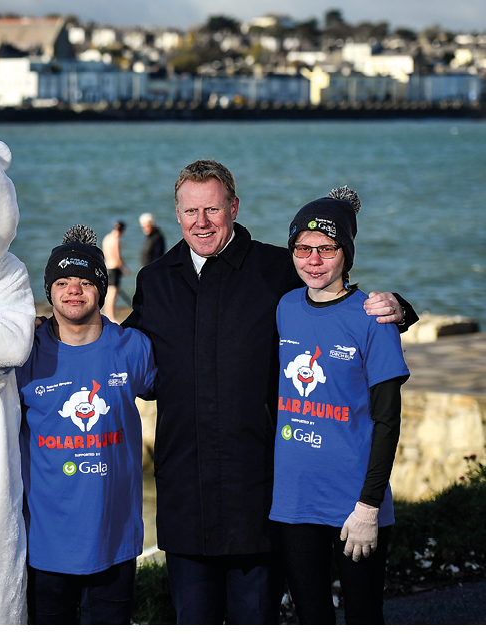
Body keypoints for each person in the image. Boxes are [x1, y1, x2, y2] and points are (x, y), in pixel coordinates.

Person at [120, 159, 415, 625]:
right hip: (184, 495)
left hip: (259, 499)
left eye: (213, 210)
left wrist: (400, 307)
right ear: (176, 213)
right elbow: (123, 352)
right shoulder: (155, 280)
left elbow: (340, 299)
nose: (202, 222)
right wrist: (49, 334)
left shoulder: (278, 268)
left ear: (234, 208)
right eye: (191, 211)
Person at [271, 186, 408, 624]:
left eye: (327, 249)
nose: (313, 259)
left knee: (364, 616)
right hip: (293, 501)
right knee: (311, 616)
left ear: (346, 254)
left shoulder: (373, 316)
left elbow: (387, 422)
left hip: (354, 503)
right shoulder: (286, 307)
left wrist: (369, 507)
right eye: (303, 248)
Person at [17, 225, 156, 624]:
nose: (72, 290)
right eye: (62, 282)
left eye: (83, 282)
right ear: (49, 290)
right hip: (44, 546)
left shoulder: (132, 348)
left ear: (100, 286)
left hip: (114, 542)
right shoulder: (25, 353)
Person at [101, 220, 129, 316]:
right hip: (114, 268)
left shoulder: (107, 238)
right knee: (113, 293)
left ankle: (107, 313)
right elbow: (117, 257)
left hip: (107, 266)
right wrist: (125, 269)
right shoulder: (116, 239)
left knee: (109, 292)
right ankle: (110, 315)